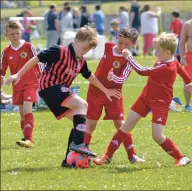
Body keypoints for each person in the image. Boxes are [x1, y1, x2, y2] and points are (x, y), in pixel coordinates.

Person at [5, 26, 121, 167]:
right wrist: (18, 74)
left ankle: (68, 161)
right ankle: (79, 143)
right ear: (76, 41)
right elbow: (36, 59)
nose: (85, 52)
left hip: (59, 91)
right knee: (83, 105)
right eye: (84, 48)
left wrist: (105, 90)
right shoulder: (59, 51)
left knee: (79, 120)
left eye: (88, 51)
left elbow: (89, 76)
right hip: (49, 87)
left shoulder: (81, 60)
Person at [93, 33, 192, 167]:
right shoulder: (167, 60)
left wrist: (129, 56)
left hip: (160, 103)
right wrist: (188, 82)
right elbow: (182, 71)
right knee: (126, 126)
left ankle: (181, 157)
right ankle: (107, 156)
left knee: (157, 136)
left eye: (158, 50)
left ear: (168, 52)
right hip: (145, 98)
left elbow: (141, 70)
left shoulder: (166, 67)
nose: (155, 52)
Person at [84, 27, 145, 164]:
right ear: (117, 38)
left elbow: (122, 79)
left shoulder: (129, 60)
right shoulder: (108, 46)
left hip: (114, 93)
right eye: (121, 42)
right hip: (95, 91)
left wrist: (112, 78)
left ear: (133, 45)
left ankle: (132, 155)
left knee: (120, 124)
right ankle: (83, 154)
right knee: (91, 124)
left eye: (127, 44)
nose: (122, 46)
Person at [1, 20, 41, 148]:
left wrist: (42, 78)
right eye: (12, 34)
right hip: (17, 85)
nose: (15, 36)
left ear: (21, 32)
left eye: (17, 33)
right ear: (6, 34)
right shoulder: (6, 52)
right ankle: (25, 137)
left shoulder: (28, 46)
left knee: (28, 109)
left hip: (30, 83)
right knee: (22, 113)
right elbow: (2, 69)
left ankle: (29, 139)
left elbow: (38, 63)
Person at [180, 16, 192, 112]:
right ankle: (188, 105)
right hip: (191, 56)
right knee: (188, 82)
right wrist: (182, 57)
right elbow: (182, 42)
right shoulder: (188, 24)